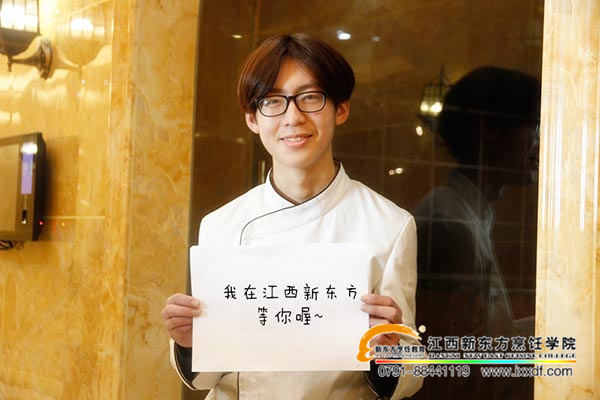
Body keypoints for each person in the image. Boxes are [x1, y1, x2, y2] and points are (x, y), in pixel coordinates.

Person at [161, 33, 422, 400]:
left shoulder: (389, 225)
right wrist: (190, 342)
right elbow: (206, 377)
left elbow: (408, 375)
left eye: (310, 97)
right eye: (272, 101)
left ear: (341, 109)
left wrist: (387, 350)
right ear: (252, 118)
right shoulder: (221, 224)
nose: (293, 117)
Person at [412, 66, 540, 399]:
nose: (539, 142)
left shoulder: (466, 214)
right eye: (534, 125)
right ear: (490, 130)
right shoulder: (448, 226)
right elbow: (453, 367)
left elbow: (482, 341)